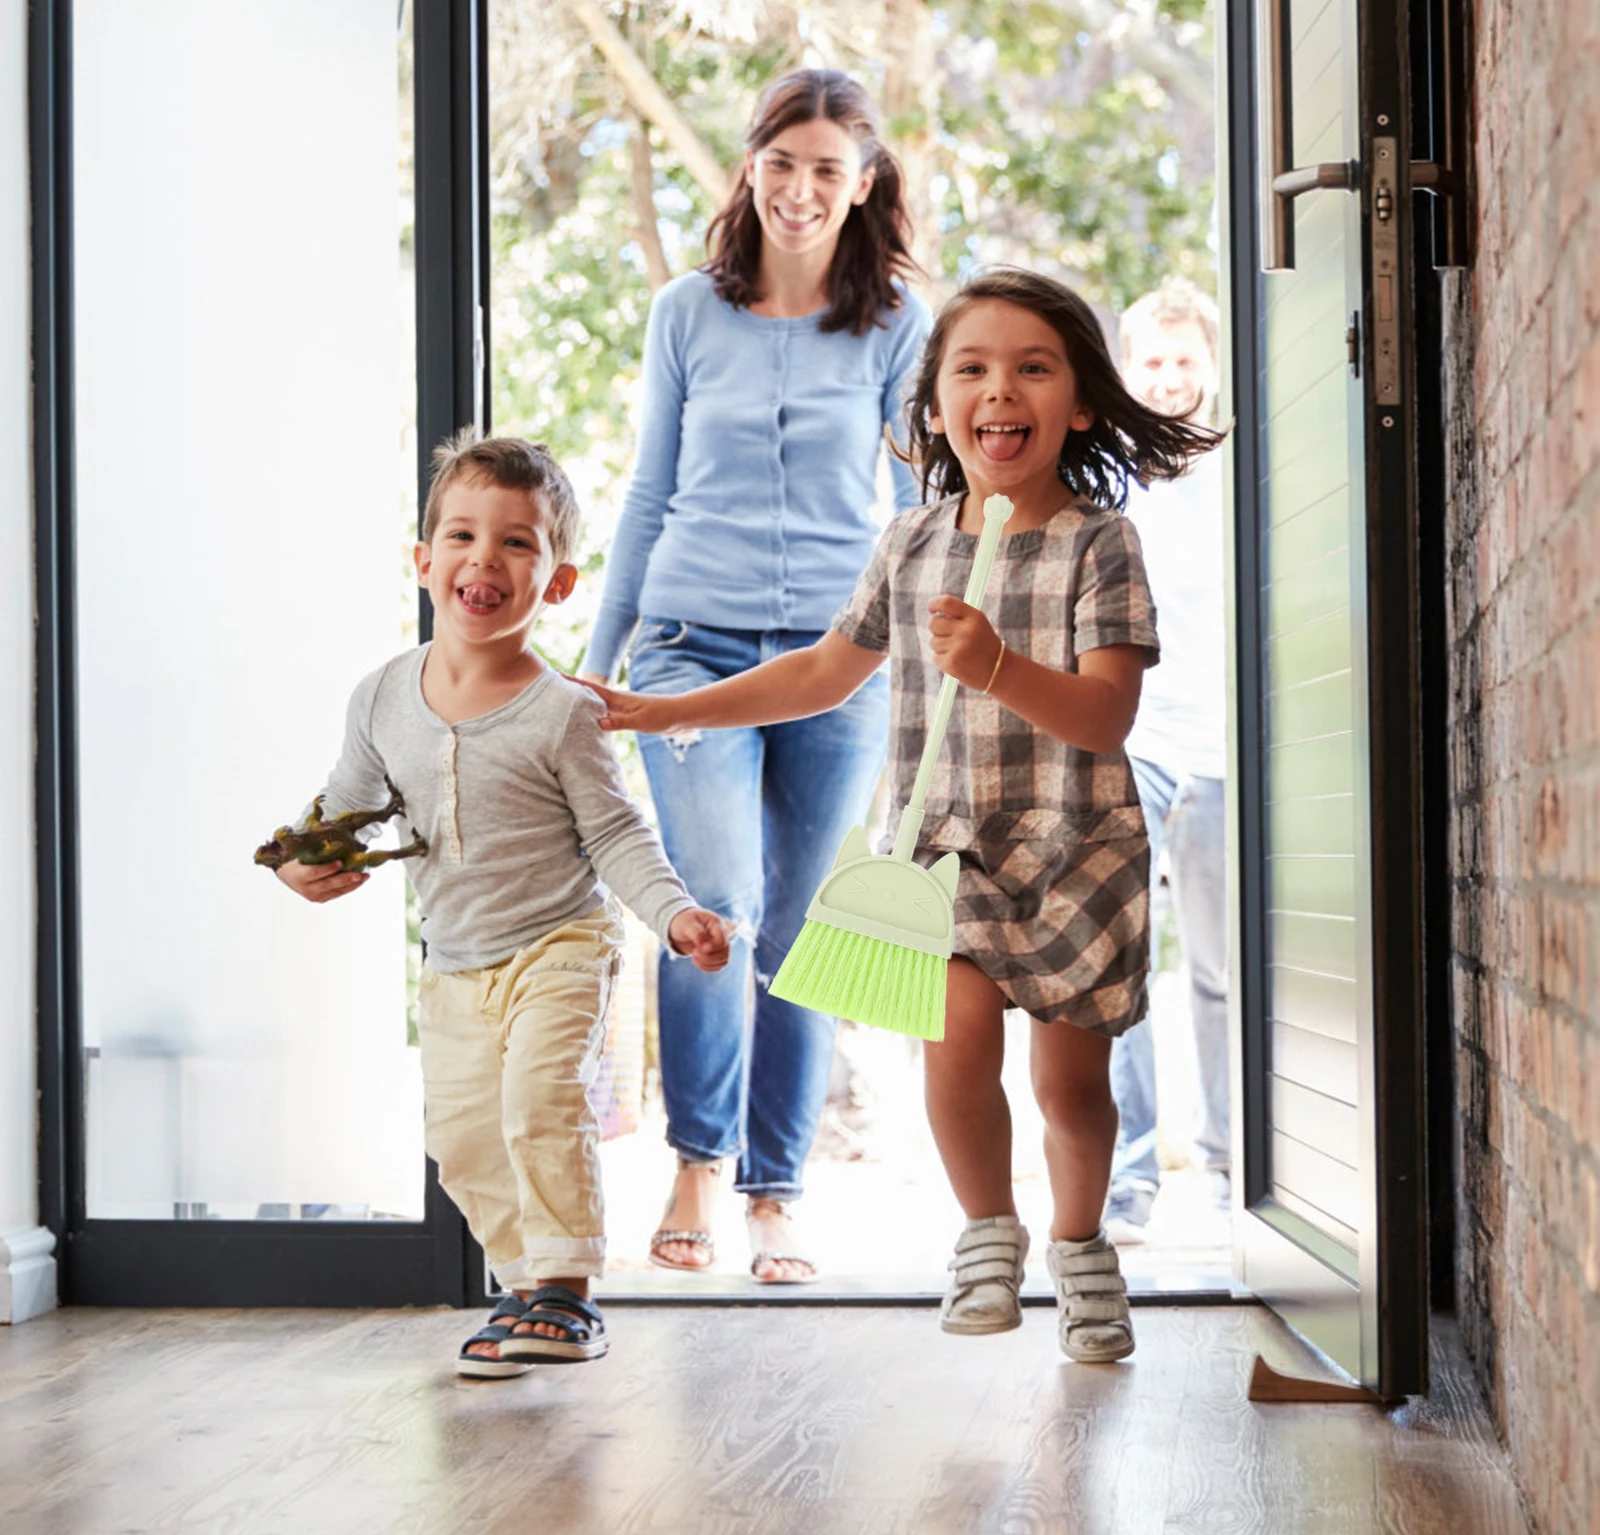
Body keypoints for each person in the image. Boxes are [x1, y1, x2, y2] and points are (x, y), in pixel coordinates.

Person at [591, 267, 1222, 1361]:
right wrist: (666, 704)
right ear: (933, 407)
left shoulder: (1100, 543)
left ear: (1078, 400)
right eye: (970, 369)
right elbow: (824, 673)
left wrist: (997, 665)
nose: (999, 390)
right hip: (952, 853)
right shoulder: (911, 543)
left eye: (1032, 367)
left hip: (1079, 848)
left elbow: (1106, 715)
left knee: (1070, 1086)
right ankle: (987, 1232)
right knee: (955, 1042)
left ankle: (1080, 1248)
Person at [268, 431, 730, 1378]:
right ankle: (523, 1285)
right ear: (425, 560)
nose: (486, 558)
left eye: (518, 543)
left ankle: (566, 1292)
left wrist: (674, 914)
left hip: (560, 939)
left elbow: (615, 836)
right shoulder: (382, 696)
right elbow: (345, 807)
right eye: (464, 536)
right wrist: (297, 861)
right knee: (463, 1135)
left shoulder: (564, 711)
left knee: (538, 1103)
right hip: (453, 958)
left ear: (556, 584)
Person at [578, 67, 931, 1283]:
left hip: (840, 661)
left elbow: (919, 507)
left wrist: (927, 657)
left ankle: (775, 1191)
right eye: (780, 163)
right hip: (687, 647)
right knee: (711, 905)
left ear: (863, 182)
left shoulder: (896, 326)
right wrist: (595, 663)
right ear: (749, 167)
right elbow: (647, 490)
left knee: (803, 919)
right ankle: (694, 1163)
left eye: (826, 169)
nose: (798, 189)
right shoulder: (688, 310)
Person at [1102, 279, 1231, 1245]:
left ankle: (1234, 1166)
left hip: (1226, 747)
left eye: (1187, 359)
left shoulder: (1244, 470)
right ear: (1126, 369)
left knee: (1225, 970)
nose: (1171, 377)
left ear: (1213, 367)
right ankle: (1130, 1179)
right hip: (1132, 742)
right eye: (1153, 360)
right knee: (1123, 966)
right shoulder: (1108, 483)